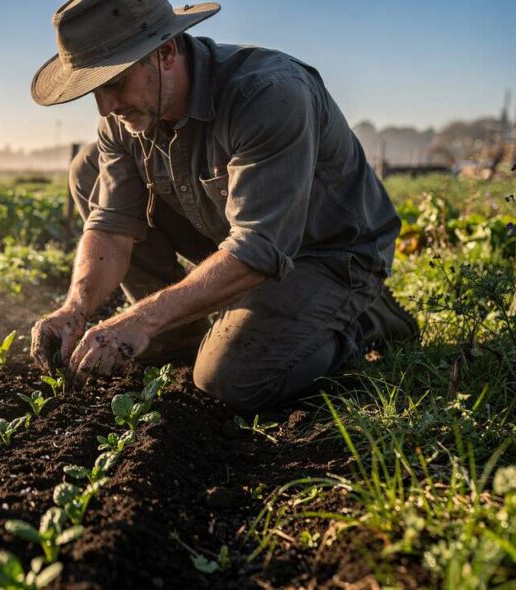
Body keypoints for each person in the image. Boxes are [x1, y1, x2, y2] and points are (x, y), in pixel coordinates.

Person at [28, 0, 418, 413]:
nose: (106, 107)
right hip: (235, 240)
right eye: (95, 91)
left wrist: (140, 318)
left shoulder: (269, 95)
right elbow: (112, 227)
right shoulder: (122, 119)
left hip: (326, 253)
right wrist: (75, 308)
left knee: (229, 379)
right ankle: (178, 337)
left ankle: (361, 319)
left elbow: (259, 245)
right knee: (87, 168)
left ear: (166, 52)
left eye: (115, 83)